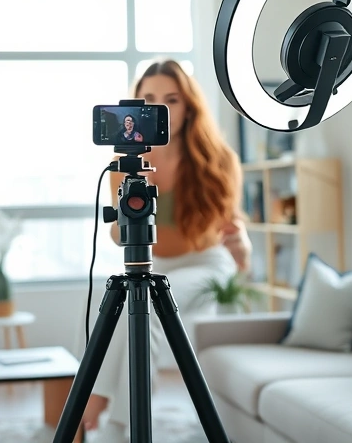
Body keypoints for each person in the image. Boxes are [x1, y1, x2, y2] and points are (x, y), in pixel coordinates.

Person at [82, 59, 252, 442]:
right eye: (149, 99)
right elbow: (117, 234)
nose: (160, 108)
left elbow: (235, 229)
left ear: (189, 106)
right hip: (152, 261)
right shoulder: (123, 163)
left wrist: (243, 247)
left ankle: (118, 424)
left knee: (153, 306)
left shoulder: (220, 160)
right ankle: (105, 405)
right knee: (128, 310)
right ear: (135, 107)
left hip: (208, 263)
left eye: (172, 99)